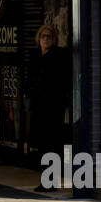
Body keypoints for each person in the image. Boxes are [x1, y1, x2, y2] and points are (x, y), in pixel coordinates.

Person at [24, 23, 70, 171]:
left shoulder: (59, 55)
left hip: (53, 104)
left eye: (49, 37)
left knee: (52, 138)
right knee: (41, 138)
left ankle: (51, 173)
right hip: (38, 103)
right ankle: (43, 169)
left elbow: (61, 80)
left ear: (54, 39)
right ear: (39, 38)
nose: (45, 39)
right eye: (43, 36)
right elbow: (30, 77)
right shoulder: (34, 55)